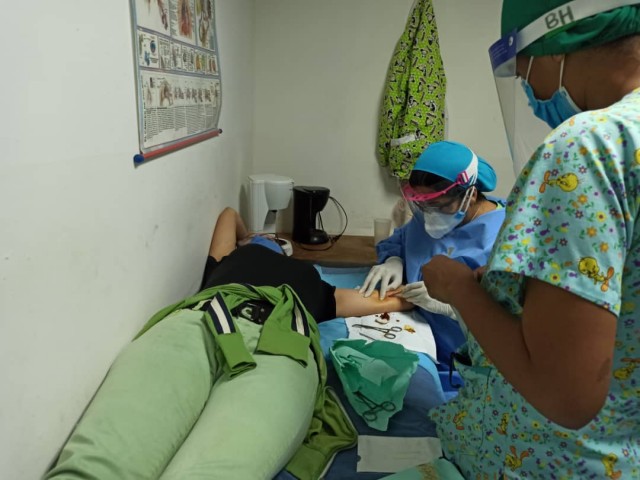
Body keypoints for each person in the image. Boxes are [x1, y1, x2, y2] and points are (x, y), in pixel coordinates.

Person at [420, 1, 640, 477]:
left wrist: (460, 290)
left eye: (523, 73)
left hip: (554, 460)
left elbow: (567, 394)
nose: (532, 93)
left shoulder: (587, 148)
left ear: (556, 44)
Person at [46, 207, 412, 480]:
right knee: (98, 465)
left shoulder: (319, 285)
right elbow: (228, 214)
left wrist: (411, 277)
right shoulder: (229, 259)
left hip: (282, 341)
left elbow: (392, 300)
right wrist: (249, 236)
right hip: (200, 322)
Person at [360, 140, 506, 368]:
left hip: (466, 360)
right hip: (412, 331)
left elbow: (510, 324)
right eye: (423, 206)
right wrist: (393, 259)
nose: (430, 215)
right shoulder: (429, 215)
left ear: (471, 195)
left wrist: (454, 307)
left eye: (439, 205)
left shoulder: (504, 239)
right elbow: (401, 239)